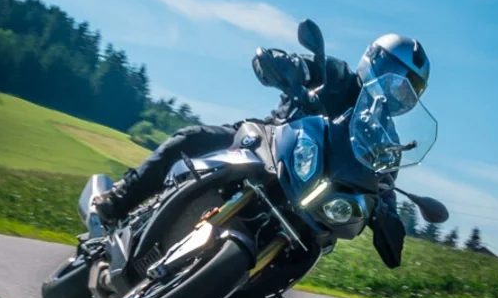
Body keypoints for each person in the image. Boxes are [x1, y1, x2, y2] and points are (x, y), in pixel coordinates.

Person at [93, 33, 431, 243]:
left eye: (407, 92)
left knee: (312, 244)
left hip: (309, 194)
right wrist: (283, 65)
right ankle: (116, 202)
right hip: (266, 142)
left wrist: (386, 213)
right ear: (372, 63)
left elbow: (382, 184)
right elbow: (301, 66)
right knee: (189, 139)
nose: (396, 94)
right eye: (394, 81)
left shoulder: (386, 140)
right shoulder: (337, 75)